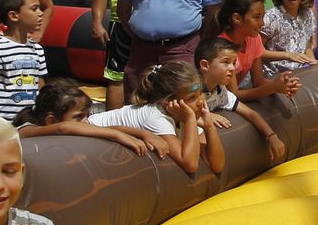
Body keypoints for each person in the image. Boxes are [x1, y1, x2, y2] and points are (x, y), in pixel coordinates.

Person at [86, 63, 223, 175]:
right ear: (168, 103)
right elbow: (190, 164)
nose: (200, 102)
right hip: (89, 131)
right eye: (192, 98)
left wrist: (209, 127)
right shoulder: (157, 117)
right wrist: (190, 121)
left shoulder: (186, 113)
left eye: (200, 94)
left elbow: (217, 165)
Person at [13, 79, 168, 158]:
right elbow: (64, 127)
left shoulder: (76, 126)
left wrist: (144, 134)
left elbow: (107, 129)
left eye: (87, 115)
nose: (86, 121)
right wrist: (117, 135)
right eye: (79, 117)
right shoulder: (27, 130)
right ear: (51, 121)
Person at [195, 37, 285, 163]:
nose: (232, 68)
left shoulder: (221, 91)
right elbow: (179, 111)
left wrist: (271, 136)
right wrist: (202, 115)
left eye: (233, 62)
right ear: (205, 65)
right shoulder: (192, 92)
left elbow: (251, 114)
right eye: (226, 62)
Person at [216, 0, 300, 103]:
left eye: (262, 17)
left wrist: (282, 86)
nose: (262, 23)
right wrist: (273, 87)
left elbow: (258, 81)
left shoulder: (253, 39)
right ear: (237, 18)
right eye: (256, 17)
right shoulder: (222, 49)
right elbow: (234, 95)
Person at [0, 0, 48, 121]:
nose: (41, 13)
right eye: (34, 9)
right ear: (14, 16)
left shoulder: (37, 49)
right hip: (5, 124)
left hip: (32, 121)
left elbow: (41, 89)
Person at [261, 0, 318, 78]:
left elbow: (308, 47)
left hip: (300, 73)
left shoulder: (307, 15)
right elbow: (256, 52)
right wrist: (287, 55)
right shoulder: (271, 18)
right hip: (273, 77)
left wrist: (314, 65)